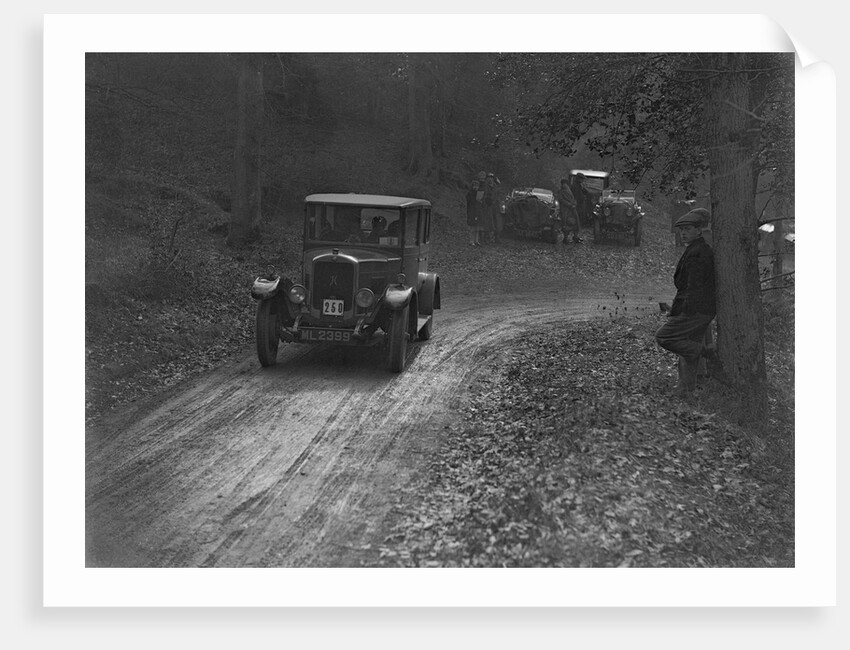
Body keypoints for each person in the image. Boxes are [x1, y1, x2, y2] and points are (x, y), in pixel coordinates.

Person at [655, 208, 716, 396]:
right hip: (700, 309)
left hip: (695, 310)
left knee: (664, 336)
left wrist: (684, 312)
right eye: (681, 229)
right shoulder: (695, 248)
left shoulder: (699, 252)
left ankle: (703, 352)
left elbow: (694, 287)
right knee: (687, 347)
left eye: (688, 229)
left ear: (699, 230)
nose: (683, 233)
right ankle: (685, 391)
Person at [556, 178, 581, 243]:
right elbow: (561, 200)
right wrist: (570, 204)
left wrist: (574, 204)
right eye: (564, 184)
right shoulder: (561, 192)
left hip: (572, 209)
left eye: (566, 184)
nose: (565, 186)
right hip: (565, 210)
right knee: (566, 223)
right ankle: (566, 238)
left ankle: (575, 236)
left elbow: (573, 198)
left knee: (575, 222)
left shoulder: (569, 190)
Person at [485, 172, 502, 243]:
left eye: (491, 177)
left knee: (497, 222)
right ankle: (487, 238)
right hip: (488, 206)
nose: (490, 179)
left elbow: (498, 195)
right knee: (488, 222)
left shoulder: (495, 186)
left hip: (495, 206)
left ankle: (496, 237)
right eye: (489, 177)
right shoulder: (485, 186)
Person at [466, 181, 481, 246]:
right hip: (471, 211)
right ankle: (471, 241)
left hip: (477, 210)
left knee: (477, 227)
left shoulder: (479, 193)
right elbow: (469, 202)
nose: (476, 187)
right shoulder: (469, 193)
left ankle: (476, 240)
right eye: (475, 186)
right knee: (472, 227)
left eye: (477, 186)